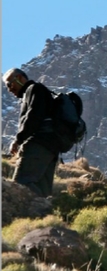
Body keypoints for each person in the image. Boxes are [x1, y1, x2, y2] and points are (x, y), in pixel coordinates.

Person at [2, 68, 60, 197]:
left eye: (9, 84)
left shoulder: (34, 89)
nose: (9, 89)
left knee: (21, 184)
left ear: (20, 78)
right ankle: (45, 214)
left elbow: (33, 116)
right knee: (43, 192)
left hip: (38, 144)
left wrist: (18, 140)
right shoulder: (39, 91)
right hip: (51, 149)